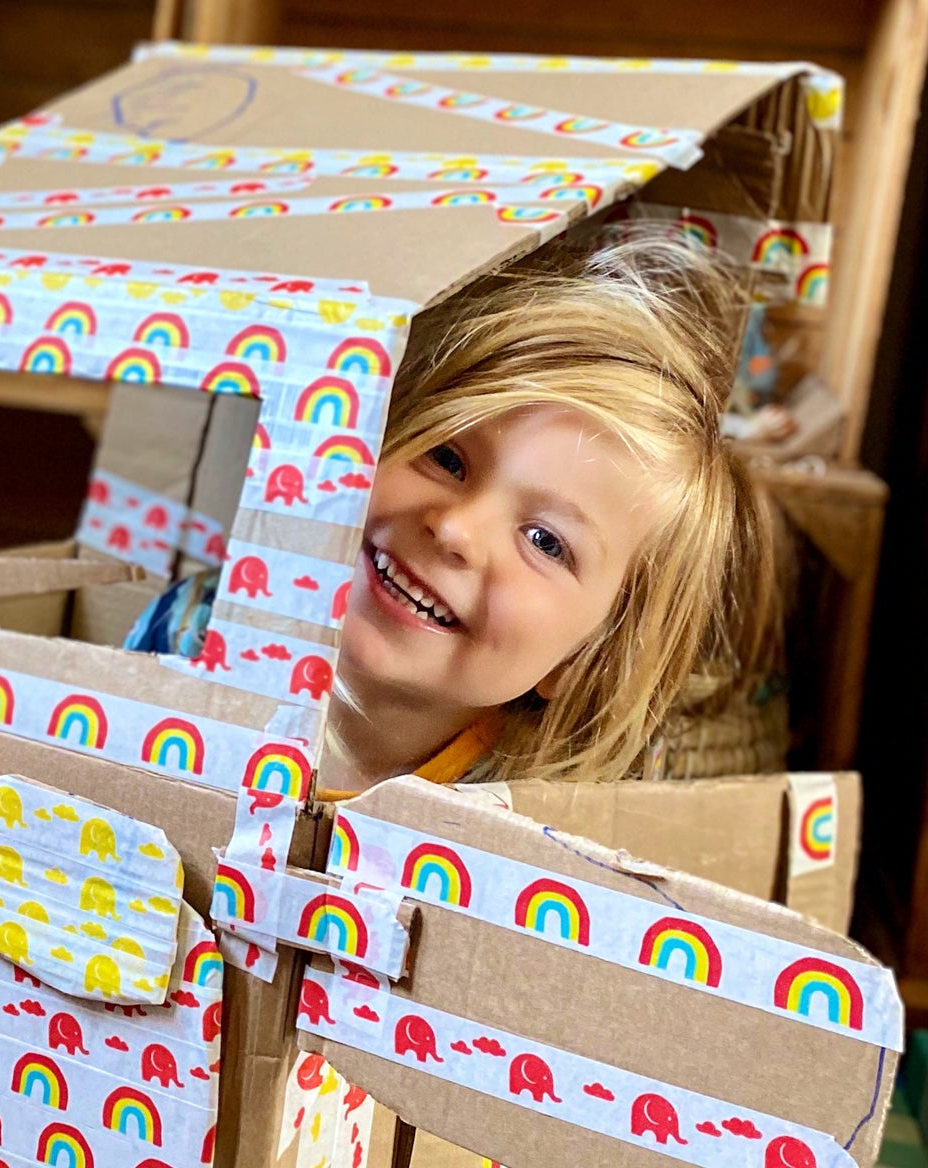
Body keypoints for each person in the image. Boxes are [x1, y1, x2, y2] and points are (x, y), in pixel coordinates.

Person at [321, 236, 774, 793]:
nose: (457, 528)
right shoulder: (191, 632)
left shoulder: (515, 844)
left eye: (545, 541)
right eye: (446, 457)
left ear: (584, 659)